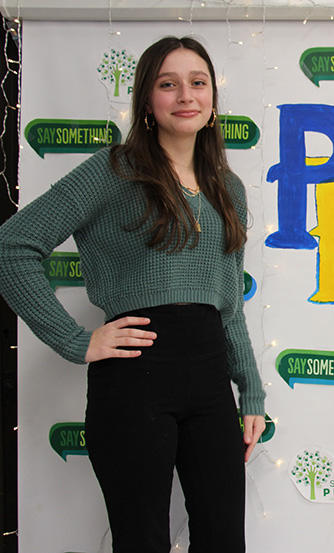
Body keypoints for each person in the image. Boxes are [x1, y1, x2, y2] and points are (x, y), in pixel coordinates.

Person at [0, 36, 265, 552]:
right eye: (168, 84)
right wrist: (76, 341)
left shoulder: (227, 187)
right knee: (142, 540)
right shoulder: (112, 170)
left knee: (224, 538)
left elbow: (229, 302)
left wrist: (250, 389)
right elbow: (13, 245)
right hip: (135, 377)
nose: (185, 95)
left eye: (198, 83)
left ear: (213, 99)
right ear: (147, 99)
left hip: (210, 378)